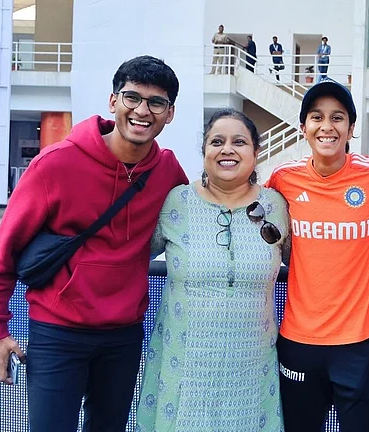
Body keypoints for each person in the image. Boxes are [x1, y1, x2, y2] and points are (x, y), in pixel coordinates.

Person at [0, 55, 188, 432]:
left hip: (123, 336)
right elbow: (3, 252)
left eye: (156, 103)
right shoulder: (55, 165)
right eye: (132, 97)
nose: (142, 110)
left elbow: (200, 215)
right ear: (113, 101)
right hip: (57, 331)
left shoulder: (167, 171)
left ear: (169, 114)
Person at [136, 108, 288, 431]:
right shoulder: (176, 202)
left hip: (251, 370)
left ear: (256, 152)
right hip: (186, 370)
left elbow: (312, 261)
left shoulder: (277, 205)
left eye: (239, 142)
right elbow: (128, 252)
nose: (227, 149)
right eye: (216, 141)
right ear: (204, 151)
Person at [265, 79, 369, 431]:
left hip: (361, 341)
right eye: (317, 117)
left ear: (351, 129)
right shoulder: (282, 179)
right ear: (303, 126)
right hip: (299, 341)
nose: (327, 126)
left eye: (338, 118)